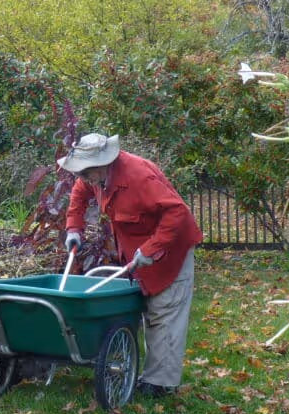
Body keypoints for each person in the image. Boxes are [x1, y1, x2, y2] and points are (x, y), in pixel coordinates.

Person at [58, 133, 202, 397]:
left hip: (170, 249)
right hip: (137, 247)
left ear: (104, 163)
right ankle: (145, 369)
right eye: (80, 172)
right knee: (144, 307)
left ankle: (160, 384)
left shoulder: (138, 176)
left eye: (87, 172)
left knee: (164, 311)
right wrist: (73, 229)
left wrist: (152, 249)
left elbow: (177, 212)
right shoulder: (94, 176)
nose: (83, 177)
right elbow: (79, 195)